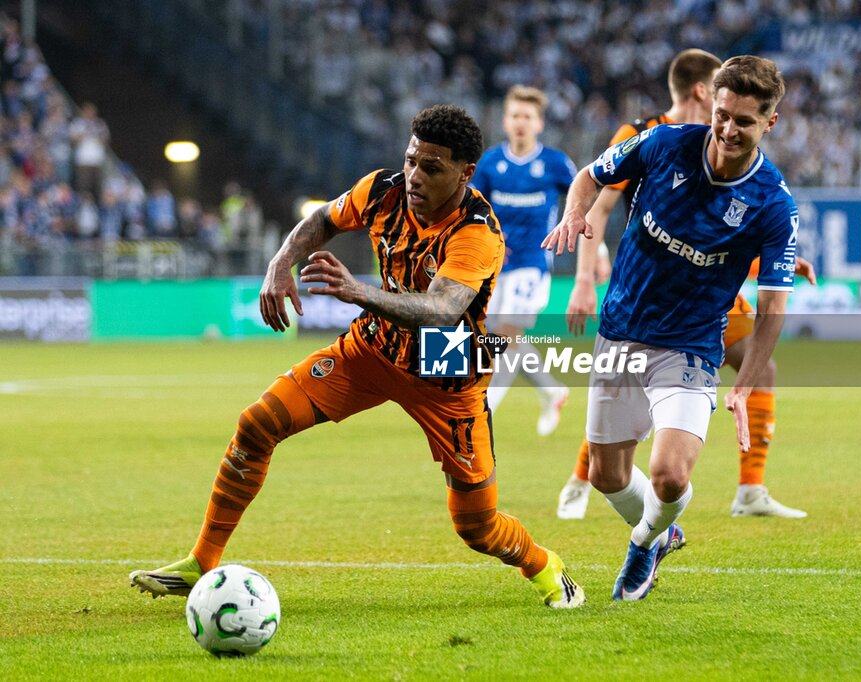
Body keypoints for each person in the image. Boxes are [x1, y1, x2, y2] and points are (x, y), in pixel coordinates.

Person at [129, 104, 585, 609]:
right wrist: (281, 261)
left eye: (431, 168)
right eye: (412, 159)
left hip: (447, 368)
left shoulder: (477, 232)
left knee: (476, 527)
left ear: (464, 173)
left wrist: (358, 292)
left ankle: (545, 565)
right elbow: (323, 219)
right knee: (258, 424)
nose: (414, 175)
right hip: (372, 348)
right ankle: (201, 562)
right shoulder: (382, 189)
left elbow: (442, 310)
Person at [542, 55, 797, 601]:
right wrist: (572, 216)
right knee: (608, 475)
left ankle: (643, 545)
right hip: (621, 329)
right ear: (713, 102)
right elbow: (591, 177)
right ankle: (662, 533)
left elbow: (774, 308)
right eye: (723, 115)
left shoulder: (773, 203)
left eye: (744, 122)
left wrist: (746, 383)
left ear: (769, 123)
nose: (728, 130)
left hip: (690, 345)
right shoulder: (662, 144)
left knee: (669, 475)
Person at [472, 85, 576, 436]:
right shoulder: (490, 163)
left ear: (539, 124)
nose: (521, 122)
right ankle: (551, 389)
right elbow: (473, 209)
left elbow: (583, 199)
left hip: (533, 263)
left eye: (527, 117)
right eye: (515, 115)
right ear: (505, 120)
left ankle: (484, 412)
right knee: (502, 337)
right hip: (494, 264)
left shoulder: (555, 164)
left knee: (504, 334)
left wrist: (598, 248)